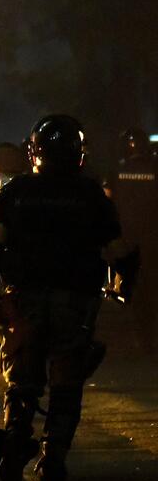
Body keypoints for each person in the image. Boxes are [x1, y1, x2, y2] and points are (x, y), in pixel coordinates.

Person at [0, 115, 138, 481]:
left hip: (23, 298)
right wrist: (127, 283)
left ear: (35, 152)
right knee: (66, 384)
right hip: (74, 301)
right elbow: (115, 252)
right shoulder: (91, 196)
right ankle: (52, 462)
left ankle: (16, 437)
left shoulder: (14, 192)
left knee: (21, 379)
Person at [104, 127, 156, 352]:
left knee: (129, 283)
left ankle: (138, 333)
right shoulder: (155, 167)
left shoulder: (115, 171)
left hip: (125, 237)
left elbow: (106, 203)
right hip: (152, 235)